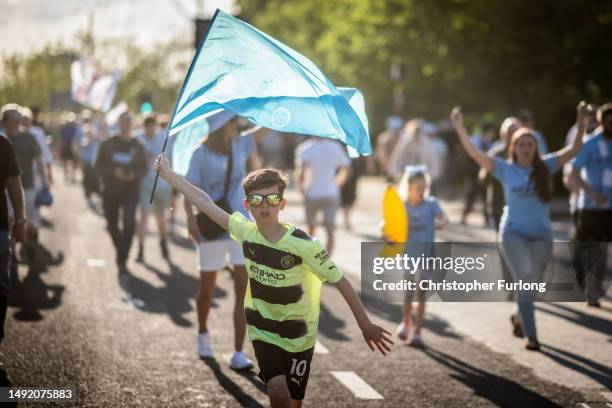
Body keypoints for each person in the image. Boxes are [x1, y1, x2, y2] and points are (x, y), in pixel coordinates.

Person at [154, 155, 393, 407]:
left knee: (292, 401)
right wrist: (168, 173)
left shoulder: (306, 245)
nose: (264, 206)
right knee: (277, 393)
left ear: (283, 203)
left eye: (272, 199)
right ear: (247, 204)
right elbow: (205, 202)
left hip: (299, 334)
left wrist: (364, 324)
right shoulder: (245, 232)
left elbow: (342, 282)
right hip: (262, 329)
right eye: (257, 200)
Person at [451, 102, 589, 351]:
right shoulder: (505, 169)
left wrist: (580, 121)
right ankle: (532, 335)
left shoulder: (545, 166)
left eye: (530, 144)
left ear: (535, 148)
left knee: (532, 285)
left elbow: (576, 148)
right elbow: (475, 154)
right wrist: (460, 128)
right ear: (513, 148)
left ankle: (519, 313)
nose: (526, 148)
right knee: (525, 280)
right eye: (522, 145)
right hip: (513, 232)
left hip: (541, 234)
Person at [184, 114, 260, 369]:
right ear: (219, 126)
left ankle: (238, 352)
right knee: (206, 290)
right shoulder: (199, 154)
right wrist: (190, 219)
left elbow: (267, 128)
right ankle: (203, 333)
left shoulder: (241, 144)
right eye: (231, 122)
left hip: (239, 227)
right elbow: (189, 190)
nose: (236, 126)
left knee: (242, 286)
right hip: (210, 227)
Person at [392, 167, 448, 347]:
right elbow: (389, 224)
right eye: (418, 188)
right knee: (408, 293)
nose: (421, 191)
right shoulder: (403, 205)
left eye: (424, 188)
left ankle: (417, 332)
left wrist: (441, 223)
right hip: (408, 255)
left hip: (425, 256)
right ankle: (405, 321)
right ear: (408, 188)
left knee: (421, 293)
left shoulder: (431, 204)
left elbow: (444, 217)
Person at [569, 103, 612, 307]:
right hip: (591, 207)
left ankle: (594, 289)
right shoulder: (589, 143)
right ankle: (589, 286)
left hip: (610, 207)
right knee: (589, 249)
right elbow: (574, 172)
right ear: (602, 121)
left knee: (602, 250)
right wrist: (591, 193)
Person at [94, 112, 147, 271]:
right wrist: (113, 172)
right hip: (110, 191)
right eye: (123, 122)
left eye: (129, 122)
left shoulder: (138, 145)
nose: (126, 126)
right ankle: (120, 248)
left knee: (129, 223)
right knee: (112, 225)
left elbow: (144, 168)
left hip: (130, 191)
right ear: (119, 124)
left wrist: (133, 175)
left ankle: (123, 257)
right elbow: (97, 166)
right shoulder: (107, 144)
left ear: (132, 125)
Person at [1, 105, 48, 259]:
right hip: (6, 189)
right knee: (10, 219)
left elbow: (40, 160)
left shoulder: (29, 138)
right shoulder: (2, 139)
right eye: (9, 119)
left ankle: (27, 242)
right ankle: (12, 253)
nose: (14, 123)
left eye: (16, 119)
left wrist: (45, 181)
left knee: (28, 222)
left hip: (28, 185)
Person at [294, 137, 351, 255]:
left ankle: (311, 257)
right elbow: (347, 167)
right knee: (330, 230)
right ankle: (328, 259)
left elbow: (301, 171)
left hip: (311, 193)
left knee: (311, 230)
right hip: (331, 193)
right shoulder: (335, 146)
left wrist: (301, 188)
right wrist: (338, 183)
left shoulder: (305, 148)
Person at [0, 120, 26, 345]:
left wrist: (20, 220)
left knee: (0, 286)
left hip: (0, 227)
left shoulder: (2, 144)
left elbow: (13, 185)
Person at [136, 115, 172, 262]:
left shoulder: (163, 139)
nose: (150, 128)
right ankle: (140, 249)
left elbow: (170, 162)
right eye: (147, 125)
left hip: (162, 185)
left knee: (160, 218)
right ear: (144, 126)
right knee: (144, 216)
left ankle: (163, 241)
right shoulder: (138, 139)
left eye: (152, 125)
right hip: (145, 185)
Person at [461, 123, 496, 225]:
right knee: (471, 195)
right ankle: (464, 216)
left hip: (486, 174)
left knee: (486, 197)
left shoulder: (490, 144)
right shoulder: (474, 141)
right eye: (491, 132)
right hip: (473, 173)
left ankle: (486, 219)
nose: (492, 135)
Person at [59, 112, 83, 183]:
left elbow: (77, 139)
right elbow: (61, 139)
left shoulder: (76, 128)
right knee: (65, 162)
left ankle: (73, 176)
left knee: (74, 162)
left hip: (73, 146)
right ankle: (66, 176)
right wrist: (60, 148)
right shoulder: (64, 128)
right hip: (65, 146)